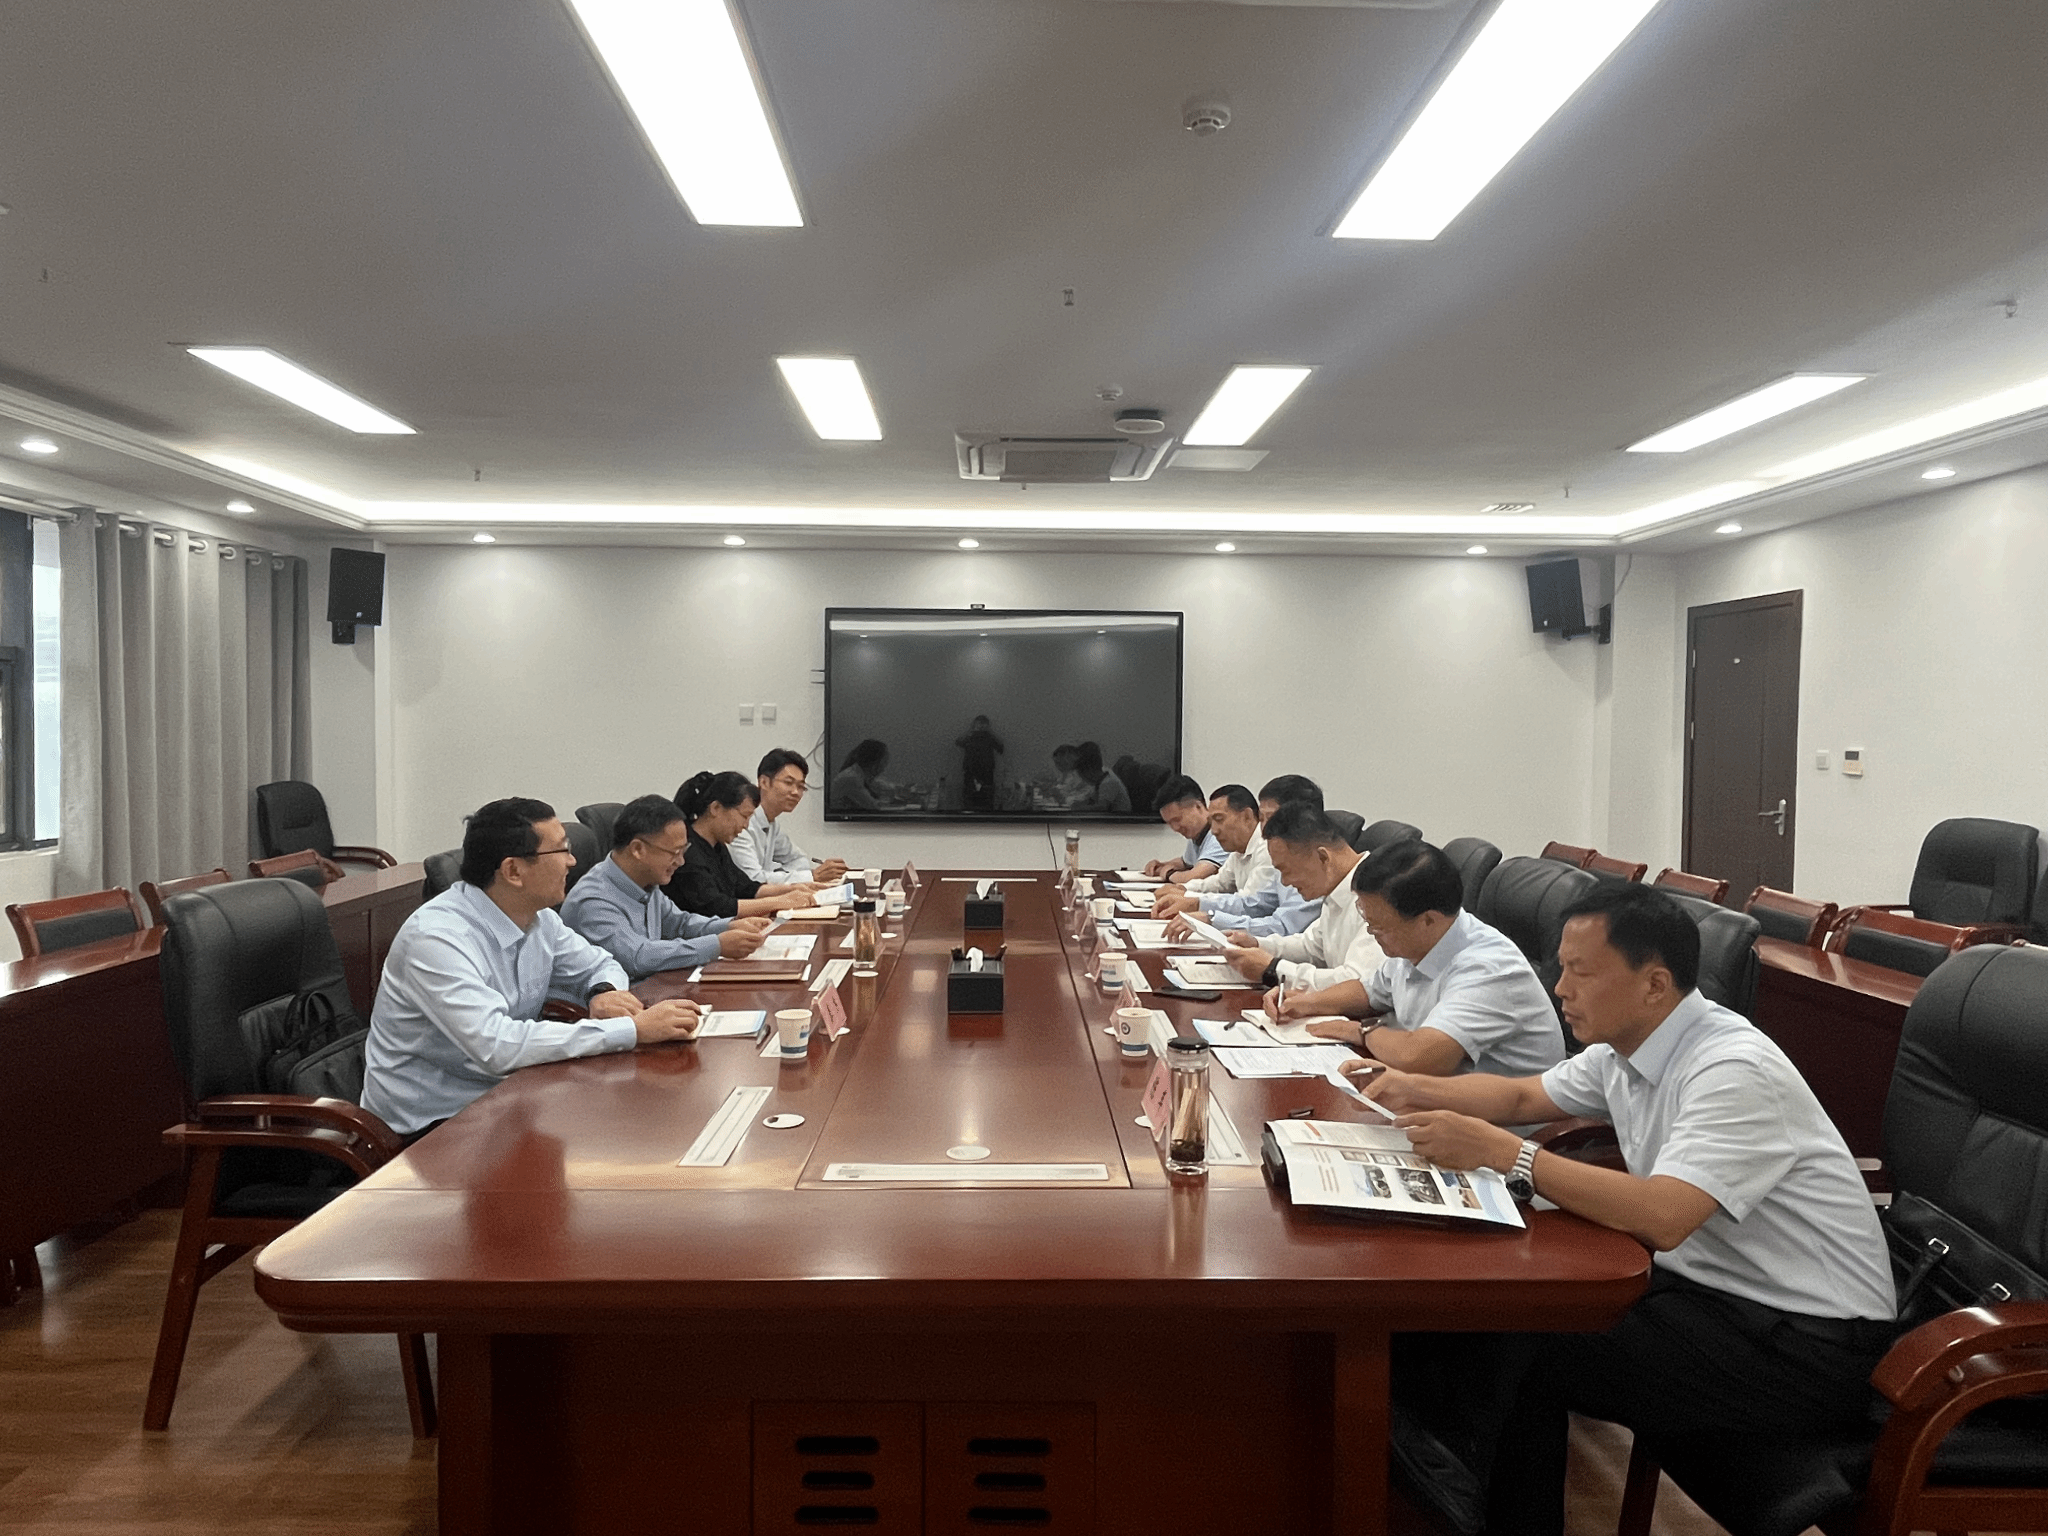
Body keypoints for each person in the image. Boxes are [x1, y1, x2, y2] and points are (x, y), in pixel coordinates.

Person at [1363, 883, 1895, 1536]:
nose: (1560, 988)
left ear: (1654, 984)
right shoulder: (1626, 1049)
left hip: (1807, 1344)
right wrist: (1413, 1087)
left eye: (1580, 972)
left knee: (1525, 1348)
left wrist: (1510, 1155)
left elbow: (1664, 1216)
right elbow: (1524, 1098)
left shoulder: (1731, 1068)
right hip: (1713, 1296)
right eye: (1562, 968)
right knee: (1499, 1312)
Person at [362, 797, 704, 1139]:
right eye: (562, 850)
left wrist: (604, 993)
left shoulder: (539, 919)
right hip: (432, 1123)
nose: (572, 861)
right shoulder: (436, 939)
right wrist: (631, 1030)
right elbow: (497, 1046)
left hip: (508, 1093)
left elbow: (601, 963)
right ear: (513, 871)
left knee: (640, 1118)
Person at [1294, 840, 1565, 1080]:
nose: (1371, 932)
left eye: (1378, 926)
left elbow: (1420, 1058)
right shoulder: (1417, 942)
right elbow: (1370, 990)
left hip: (1497, 1116)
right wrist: (1306, 1002)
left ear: (1428, 920)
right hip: (1437, 1096)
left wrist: (1362, 1032)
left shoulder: (1488, 969)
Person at [563, 794, 775, 979]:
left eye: (684, 851)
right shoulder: (592, 901)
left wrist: (730, 926)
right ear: (637, 849)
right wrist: (717, 945)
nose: (681, 862)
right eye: (675, 853)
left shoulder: (645, 882)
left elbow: (680, 924)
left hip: (652, 989)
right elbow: (637, 957)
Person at [1216, 803, 1385, 1005]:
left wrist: (1273, 969)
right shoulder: (1337, 889)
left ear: (1323, 857)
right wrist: (1258, 944)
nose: (1285, 882)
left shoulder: (1377, 892)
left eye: (1286, 870)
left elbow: (1357, 984)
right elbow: (1311, 946)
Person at [1155, 774, 1320, 938]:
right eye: (1262, 819)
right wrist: (1197, 903)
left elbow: (1283, 927)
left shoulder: (1311, 862)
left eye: (1271, 819)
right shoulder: (1275, 853)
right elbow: (1256, 903)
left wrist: (1210, 916)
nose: (1265, 829)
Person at [665, 771, 819, 918]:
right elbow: (717, 907)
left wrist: (792, 889)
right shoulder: (687, 851)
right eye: (744, 816)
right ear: (716, 808)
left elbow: (745, 887)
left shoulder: (717, 847)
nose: (746, 825)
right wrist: (780, 901)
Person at [734, 748, 848, 886]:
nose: (796, 792)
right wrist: (812, 876)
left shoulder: (771, 823)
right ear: (763, 782)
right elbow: (753, 879)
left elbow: (799, 860)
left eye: (801, 787)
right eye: (788, 783)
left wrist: (780, 874)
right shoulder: (741, 823)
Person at [1143, 774, 1225, 882]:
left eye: (1177, 819)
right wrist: (1162, 865)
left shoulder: (1220, 836)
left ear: (1198, 807)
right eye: (1169, 823)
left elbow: (1194, 877)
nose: (1175, 828)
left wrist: (1168, 873)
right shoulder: (1198, 834)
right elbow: (1186, 863)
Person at [955, 715, 1005, 811]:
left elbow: (1001, 748)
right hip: (971, 771)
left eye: (983, 724)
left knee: (987, 798)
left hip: (986, 771)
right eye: (979, 724)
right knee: (969, 798)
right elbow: (958, 742)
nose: (981, 727)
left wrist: (990, 733)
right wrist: (971, 731)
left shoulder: (989, 737)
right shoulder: (970, 737)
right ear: (975, 725)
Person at [831, 739, 893, 812]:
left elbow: (880, 785)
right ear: (875, 763)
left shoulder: (858, 774)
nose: (884, 768)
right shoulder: (851, 779)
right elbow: (873, 806)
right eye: (884, 762)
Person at [1069, 741, 1131, 814]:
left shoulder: (1108, 782)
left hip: (1120, 819)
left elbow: (1101, 808)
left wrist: (1078, 809)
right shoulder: (1103, 780)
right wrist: (1078, 804)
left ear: (1089, 771)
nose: (1083, 779)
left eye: (1081, 775)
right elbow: (1092, 800)